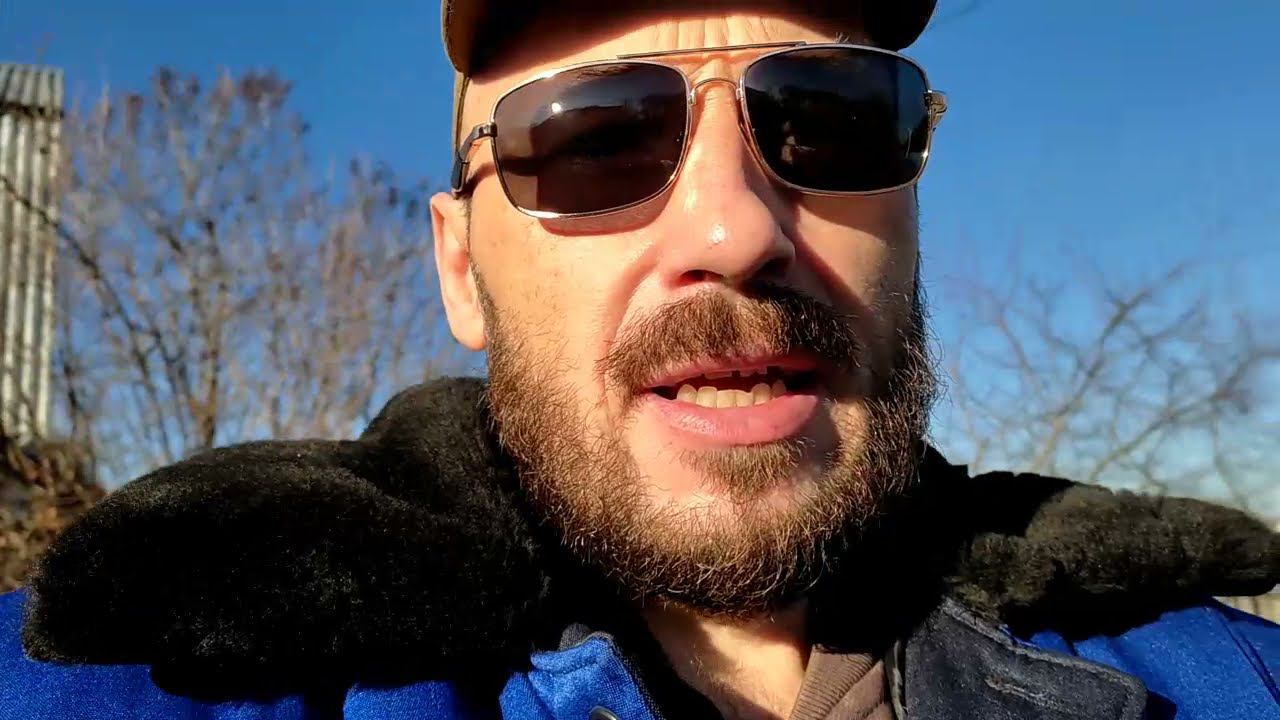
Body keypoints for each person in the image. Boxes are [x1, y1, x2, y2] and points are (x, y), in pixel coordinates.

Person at [2, 1, 1277, 718]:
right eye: (595, 139)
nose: (736, 231)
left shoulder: (1227, 681)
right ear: (460, 267)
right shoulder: (115, 674)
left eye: (829, 122)